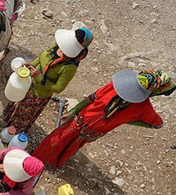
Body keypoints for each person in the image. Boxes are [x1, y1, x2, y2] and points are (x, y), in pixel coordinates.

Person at [32, 70, 174, 167]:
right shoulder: (117, 85)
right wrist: (73, 111)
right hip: (80, 120)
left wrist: (129, 120)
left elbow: (157, 124)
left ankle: (53, 162)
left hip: (93, 132)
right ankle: (38, 159)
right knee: (57, 139)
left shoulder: (144, 108)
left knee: (72, 146)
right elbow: (92, 97)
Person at [4, 27, 94, 133]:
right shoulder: (59, 46)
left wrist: (38, 77)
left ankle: (12, 133)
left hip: (38, 95)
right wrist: (32, 65)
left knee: (23, 115)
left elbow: (58, 88)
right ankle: (5, 123)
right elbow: (42, 56)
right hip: (28, 82)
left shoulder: (69, 67)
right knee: (16, 101)